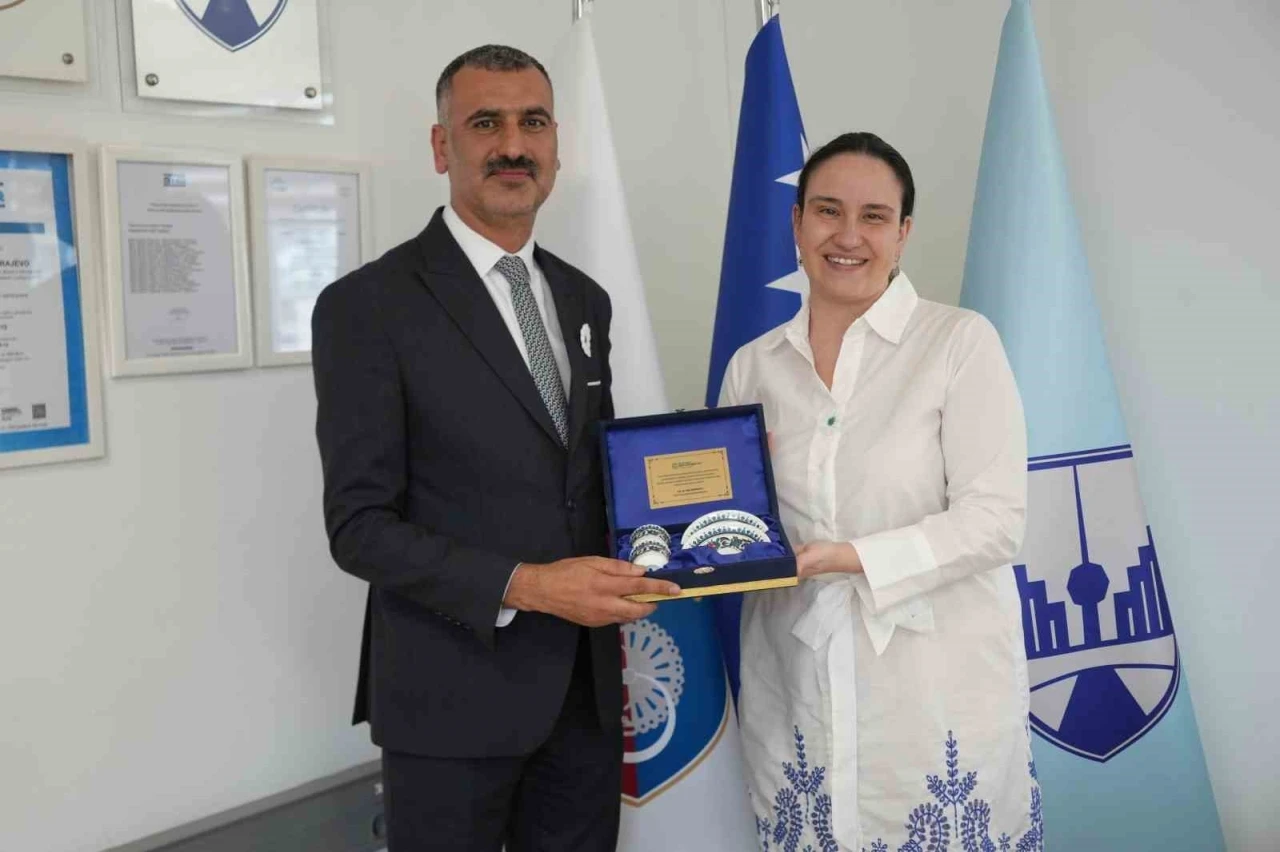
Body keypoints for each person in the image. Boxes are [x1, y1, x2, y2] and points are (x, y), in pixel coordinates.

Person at [310, 44, 679, 852]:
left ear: (556, 146)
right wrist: (531, 586)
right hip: (449, 704)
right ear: (442, 146)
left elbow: (591, 477)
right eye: (486, 123)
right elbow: (359, 527)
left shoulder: (584, 298)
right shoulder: (367, 307)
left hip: (583, 698)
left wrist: (702, 511)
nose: (513, 145)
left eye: (533, 123)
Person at [720, 132, 1043, 852]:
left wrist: (850, 557)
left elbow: (995, 521)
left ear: (903, 233)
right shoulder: (753, 367)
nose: (847, 236)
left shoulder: (959, 342)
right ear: (797, 222)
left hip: (933, 702)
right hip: (795, 691)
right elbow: (733, 524)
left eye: (873, 217)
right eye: (827, 211)